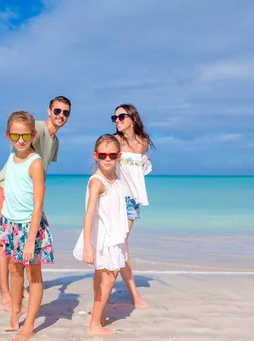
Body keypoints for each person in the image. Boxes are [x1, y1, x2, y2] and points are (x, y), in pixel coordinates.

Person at [0, 96, 71, 312]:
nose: (60, 116)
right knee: (4, 243)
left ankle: (18, 291)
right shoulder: (35, 127)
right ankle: (6, 297)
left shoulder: (55, 141)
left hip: (26, 195)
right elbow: (18, 143)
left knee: (24, 243)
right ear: (49, 111)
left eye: (65, 113)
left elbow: (40, 167)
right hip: (6, 188)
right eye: (57, 111)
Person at [0, 111, 54, 341]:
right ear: (8, 136)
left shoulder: (35, 163)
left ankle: (29, 325)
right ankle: (15, 311)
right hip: (10, 224)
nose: (20, 141)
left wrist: (31, 238)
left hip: (30, 226)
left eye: (25, 136)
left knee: (34, 275)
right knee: (13, 268)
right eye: (14, 136)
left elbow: (39, 203)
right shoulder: (12, 154)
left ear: (34, 135)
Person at [73, 134, 129, 336]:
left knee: (102, 276)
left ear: (118, 156)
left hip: (114, 235)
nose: (107, 159)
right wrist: (88, 244)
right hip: (103, 237)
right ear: (95, 155)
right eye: (103, 154)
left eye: (112, 155)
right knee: (109, 278)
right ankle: (94, 324)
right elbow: (89, 213)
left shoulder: (115, 177)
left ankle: (99, 314)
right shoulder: (97, 181)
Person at [112, 104, 154, 308]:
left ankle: (120, 292)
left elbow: (138, 169)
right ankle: (133, 294)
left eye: (121, 116)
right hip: (115, 197)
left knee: (120, 245)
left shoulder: (142, 142)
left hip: (132, 200)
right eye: (115, 117)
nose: (117, 120)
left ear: (132, 118)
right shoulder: (114, 141)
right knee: (117, 244)